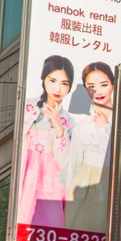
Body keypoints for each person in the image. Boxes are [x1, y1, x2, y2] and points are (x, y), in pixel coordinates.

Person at [17, 56, 74, 230]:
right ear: (43, 79)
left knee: (49, 221)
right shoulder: (27, 107)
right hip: (28, 170)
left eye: (64, 83)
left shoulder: (68, 121)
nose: (58, 88)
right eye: (53, 80)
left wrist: (59, 128)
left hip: (50, 176)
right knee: (22, 216)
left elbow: (63, 163)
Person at [65, 62, 115, 234]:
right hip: (84, 183)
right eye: (91, 87)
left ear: (113, 85)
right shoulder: (82, 126)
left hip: (112, 181)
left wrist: (106, 126)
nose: (98, 91)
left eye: (103, 85)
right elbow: (74, 165)